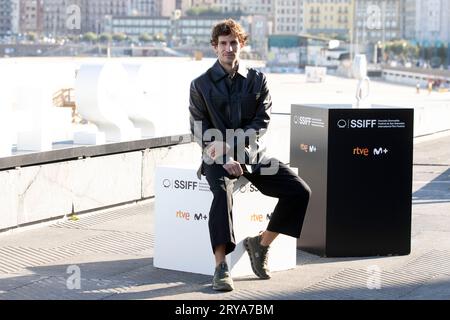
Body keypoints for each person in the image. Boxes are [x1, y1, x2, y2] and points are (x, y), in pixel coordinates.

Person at [189, 19, 311, 292]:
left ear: (241, 44)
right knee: (221, 191)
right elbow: (199, 130)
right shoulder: (200, 85)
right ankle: (221, 265)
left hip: (253, 157)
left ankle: (261, 244)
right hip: (216, 159)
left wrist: (236, 152)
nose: (229, 48)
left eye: (234, 43)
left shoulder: (258, 80)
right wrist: (223, 158)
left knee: (300, 191)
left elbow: (261, 124)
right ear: (214, 47)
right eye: (223, 43)